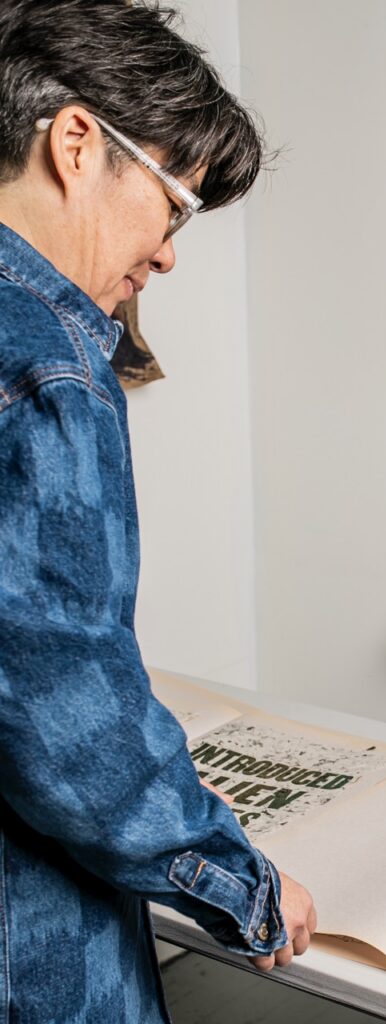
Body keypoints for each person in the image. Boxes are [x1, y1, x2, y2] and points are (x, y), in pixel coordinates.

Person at [0, 2, 316, 1021]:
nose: (171, 252)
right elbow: (54, 695)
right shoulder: (45, 363)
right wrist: (239, 883)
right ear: (77, 142)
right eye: (173, 204)